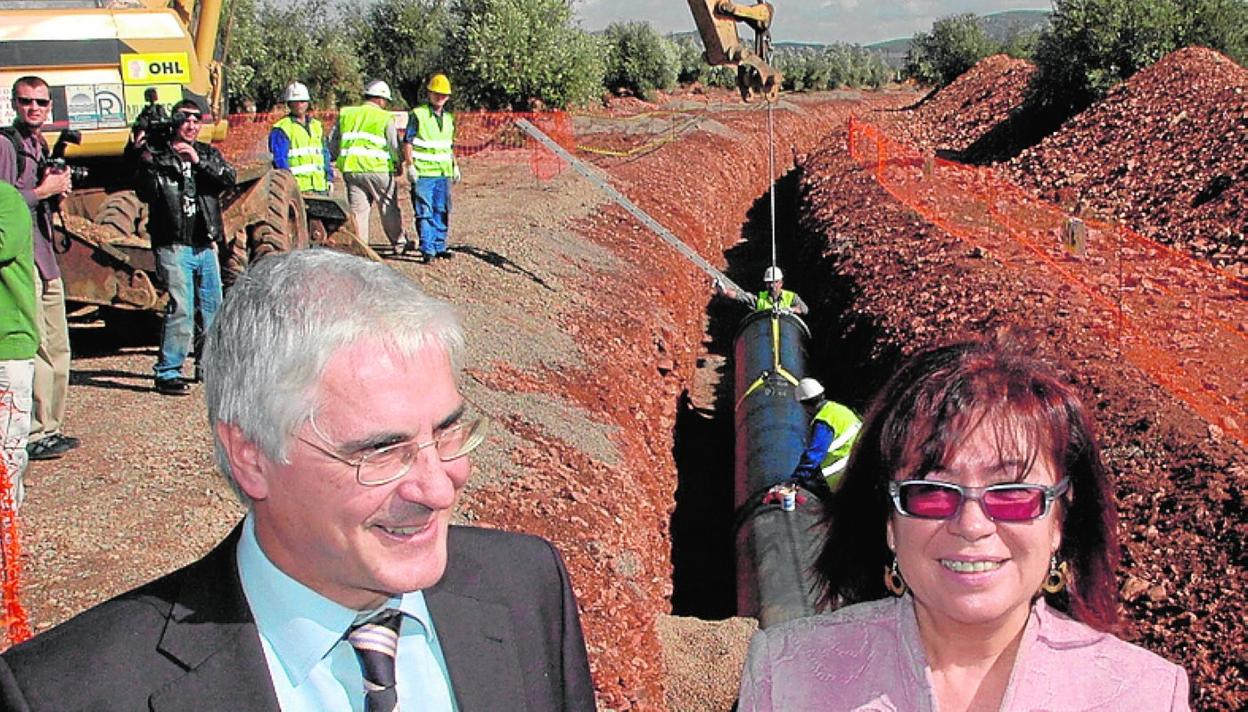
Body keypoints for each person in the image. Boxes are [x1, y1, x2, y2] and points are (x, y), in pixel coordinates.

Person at [0, 249, 595, 711]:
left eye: (445, 433)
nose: (439, 489)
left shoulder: (526, 588)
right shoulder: (66, 694)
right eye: (382, 452)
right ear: (251, 456)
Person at [737, 335, 1190, 711]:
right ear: (890, 521)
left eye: (1012, 494)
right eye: (933, 492)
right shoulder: (786, 676)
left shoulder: (1145, 694)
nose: (972, 525)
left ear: (1059, 520)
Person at [0, 75, 78, 461]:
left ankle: (51, 426)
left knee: (59, 344)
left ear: (50, 108)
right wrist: (40, 192)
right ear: (15, 104)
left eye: (41, 102)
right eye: (26, 101)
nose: (34, 108)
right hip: (23, 260)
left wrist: (56, 195)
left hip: (46, 256)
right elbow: (3, 202)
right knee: (38, 347)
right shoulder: (5, 144)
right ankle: (32, 430)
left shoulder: (39, 143)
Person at [135, 99, 236, 396]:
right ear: (175, 122)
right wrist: (141, 151)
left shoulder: (206, 153)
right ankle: (168, 372)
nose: (192, 125)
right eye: (185, 119)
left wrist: (197, 161)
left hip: (204, 243)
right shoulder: (159, 155)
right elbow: (144, 189)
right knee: (181, 307)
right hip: (173, 243)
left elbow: (228, 179)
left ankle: (210, 366)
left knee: (213, 308)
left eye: (196, 120)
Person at [332, 79, 405, 252]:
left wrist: (331, 160)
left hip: (352, 169)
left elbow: (333, 141)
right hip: (378, 169)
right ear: (381, 99)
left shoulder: (346, 114)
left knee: (358, 211)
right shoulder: (384, 117)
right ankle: (399, 243)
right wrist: (399, 163)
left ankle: (361, 247)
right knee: (388, 207)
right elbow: (393, 144)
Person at [0, 182, 36, 508]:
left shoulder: (6, 199)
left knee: (6, 454)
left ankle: (6, 550)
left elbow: (3, 246)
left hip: (7, 349)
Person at [402, 73, 460, 264]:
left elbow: (448, 145)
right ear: (429, 94)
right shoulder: (418, 115)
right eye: (437, 94)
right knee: (424, 210)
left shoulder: (449, 119)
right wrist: (410, 165)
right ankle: (427, 249)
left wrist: (454, 165)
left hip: (443, 173)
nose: (440, 97)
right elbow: (408, 141)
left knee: (441, 209)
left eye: (443, 94)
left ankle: (439, 246)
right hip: (424, 173)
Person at [790, 377, 861, 496]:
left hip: (843, 476)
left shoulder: (824, 422)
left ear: (804, 405)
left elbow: (814, 455)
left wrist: (796, 478)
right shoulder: (840, 410)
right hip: (861, 465)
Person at [269, 81, 333, 195]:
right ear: (289, 104)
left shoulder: (316, 125)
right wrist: (289, 185)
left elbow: (324, 154)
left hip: (320, 186)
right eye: (295, 102)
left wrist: (329, 178)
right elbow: (280, 160)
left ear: (307, 103)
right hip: (298, 189)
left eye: (302, 101)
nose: (299, 105)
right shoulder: (282, 128)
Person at [715, 266, 809, 314]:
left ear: (781, 283)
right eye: (769, 283)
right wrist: (725, 291)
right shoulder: (759, 298)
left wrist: (791, 310)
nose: (772, 286)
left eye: (775, 282)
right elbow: (740, 296)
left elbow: (804, 309)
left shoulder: (791, 297)